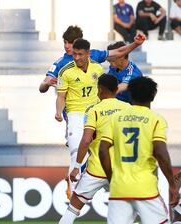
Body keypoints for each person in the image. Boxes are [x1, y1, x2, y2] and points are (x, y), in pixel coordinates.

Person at [99, 76, 179, 223]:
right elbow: (161, 153)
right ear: (153, 96)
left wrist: (112, 178)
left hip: (119, 188)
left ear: (130, 94)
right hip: (145, 189)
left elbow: (103, 150)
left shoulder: (115, 118)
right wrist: (172, 185)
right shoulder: (156, 120)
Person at [59, 74, 130, 224]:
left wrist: (76, 166)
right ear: (116, 89)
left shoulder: (94, 110)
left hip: (96, 169)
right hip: (120, 169)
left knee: (73, 207)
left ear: (100, 90)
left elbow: (85, 141)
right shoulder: (128, 108)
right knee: (128, 210)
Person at [55, 38, 104, 194]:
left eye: (80, 54)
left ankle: (108, 185)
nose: (76, 58)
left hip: (94, 114)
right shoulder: (66, 71)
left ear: (88, 54)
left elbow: (102, 93)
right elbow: (61, 96)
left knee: (100, 152)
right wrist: (58, 112)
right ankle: (74, 190)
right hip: (75, 114)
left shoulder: (98, 69)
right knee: (76, 151)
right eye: (74, 54)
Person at [39, 25, 146, 93]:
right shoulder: (60, 63)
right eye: (65, 42)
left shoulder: (92, 55)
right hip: (73, 111)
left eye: (70, 43)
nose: (67, 46)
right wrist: (47, 84)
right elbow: (42, 87)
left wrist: (136, 43)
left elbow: (118, 52)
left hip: (93, 109)